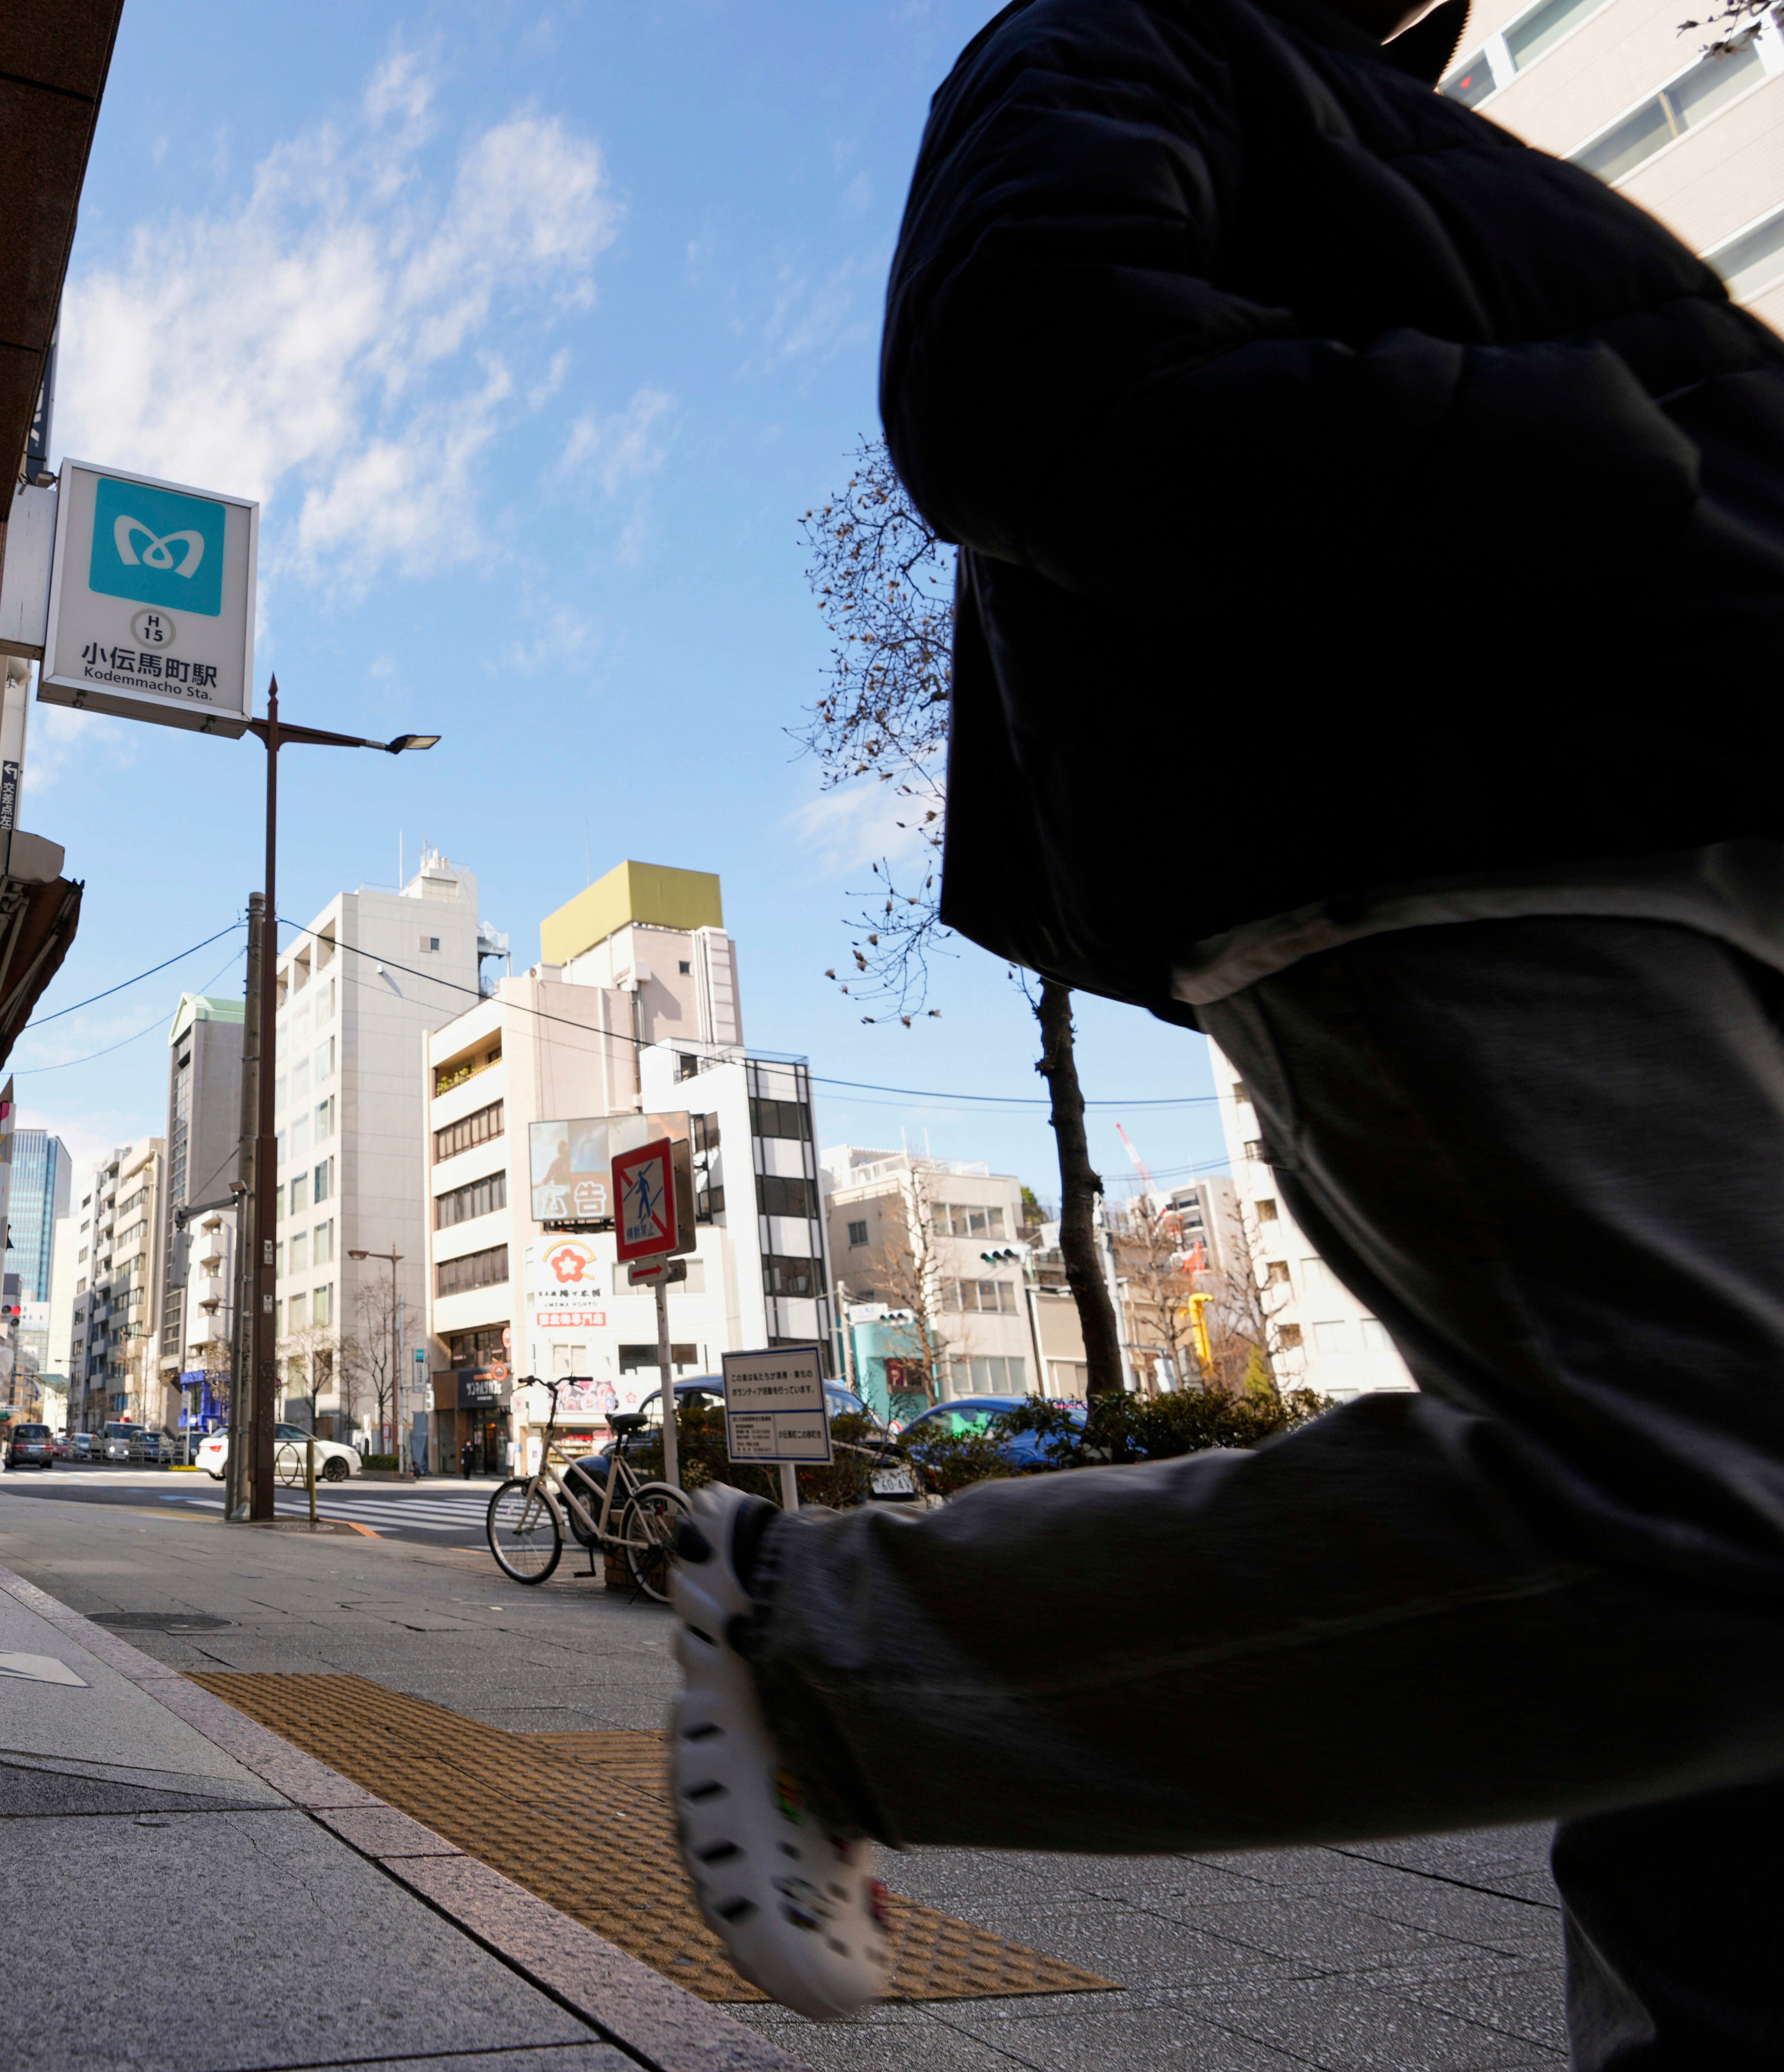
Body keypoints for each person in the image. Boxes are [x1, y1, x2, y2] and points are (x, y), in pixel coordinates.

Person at [668, 0, 1784, 2058]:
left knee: (1732, 1742)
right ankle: (829, 1653)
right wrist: (1595, 466)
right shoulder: (1127, 39)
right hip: (1464, 806)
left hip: (1679, 819)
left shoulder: (1401, 128)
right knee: (1727, 1516)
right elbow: (1019, 367)